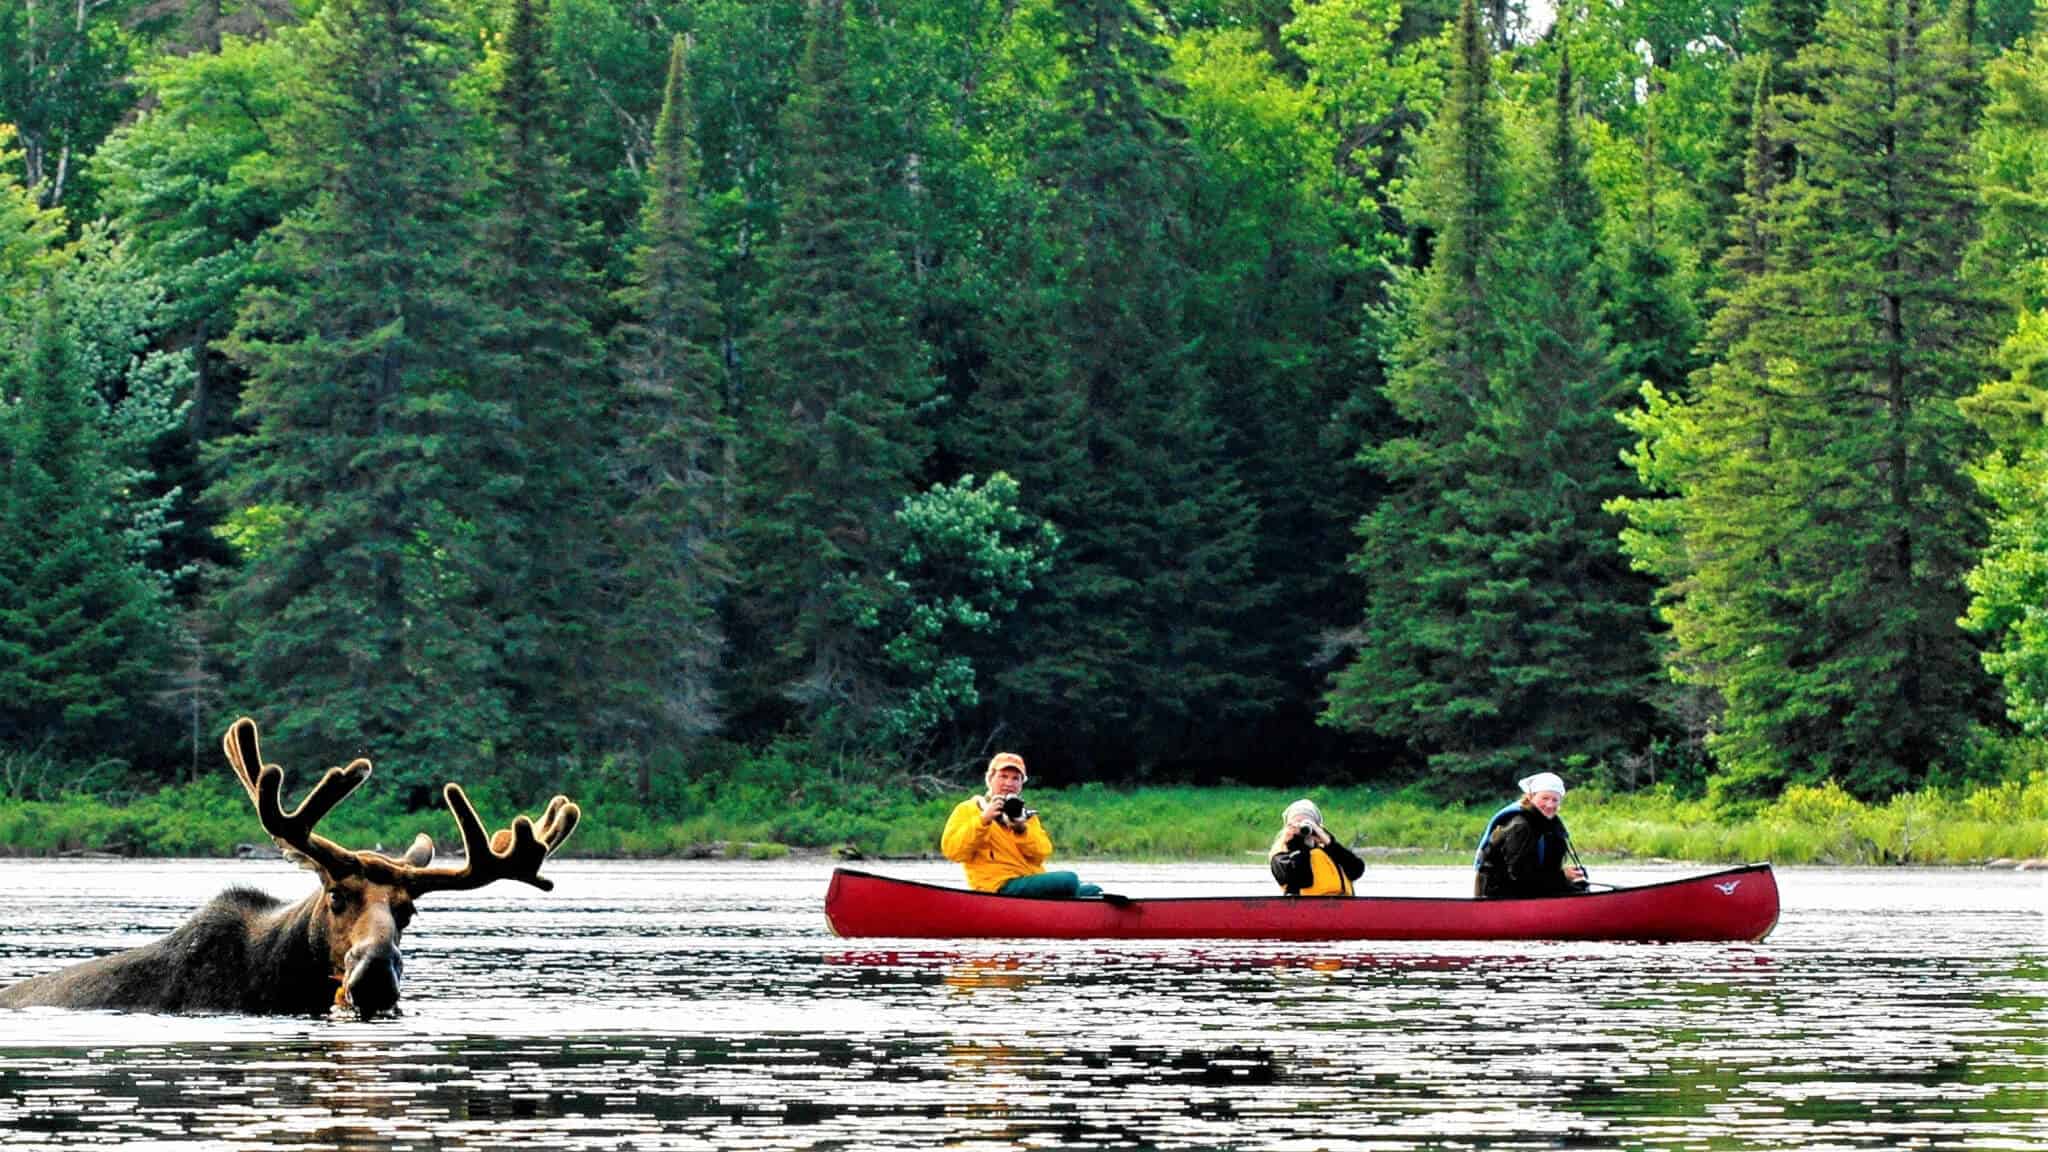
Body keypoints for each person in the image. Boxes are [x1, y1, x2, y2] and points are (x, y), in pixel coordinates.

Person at [941, 752, 1103, 899]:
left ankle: (1062, 908)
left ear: (1021, 784)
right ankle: (1062, 905)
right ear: (990, 779)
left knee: (1094, 890)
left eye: (1015, 778)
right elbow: (953, 852)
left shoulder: (1023, 814)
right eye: (1003, 776)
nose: (1009, 783)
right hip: (997, 886)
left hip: (1026, 881)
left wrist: (1021, 830)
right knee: (1070, 880)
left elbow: (1042, 853)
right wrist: (983, 820)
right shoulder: (969, 809)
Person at [1474, 771, 1588, 899]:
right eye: (1544, 798)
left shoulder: (1550, 825)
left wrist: (1571, 877)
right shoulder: (1520, 826)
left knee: (1579, 888)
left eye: (1555, 800)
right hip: (1499, 893)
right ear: (1530, 797)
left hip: (1529, 889)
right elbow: (1520, 876)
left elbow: (1546, 872)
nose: (1550, 805)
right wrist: (1563, 876)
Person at [1268, 798, 1364, 897]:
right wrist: (1296, 844)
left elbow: (1357, 870)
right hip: (1306, 905)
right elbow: (1303, 879)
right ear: (1287, 828)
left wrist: (1329, 842)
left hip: (1342, 903)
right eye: (1297, 823)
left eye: (1307, 823)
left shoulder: (1329, 851)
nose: (1301, 828)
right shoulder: (1280, 858)